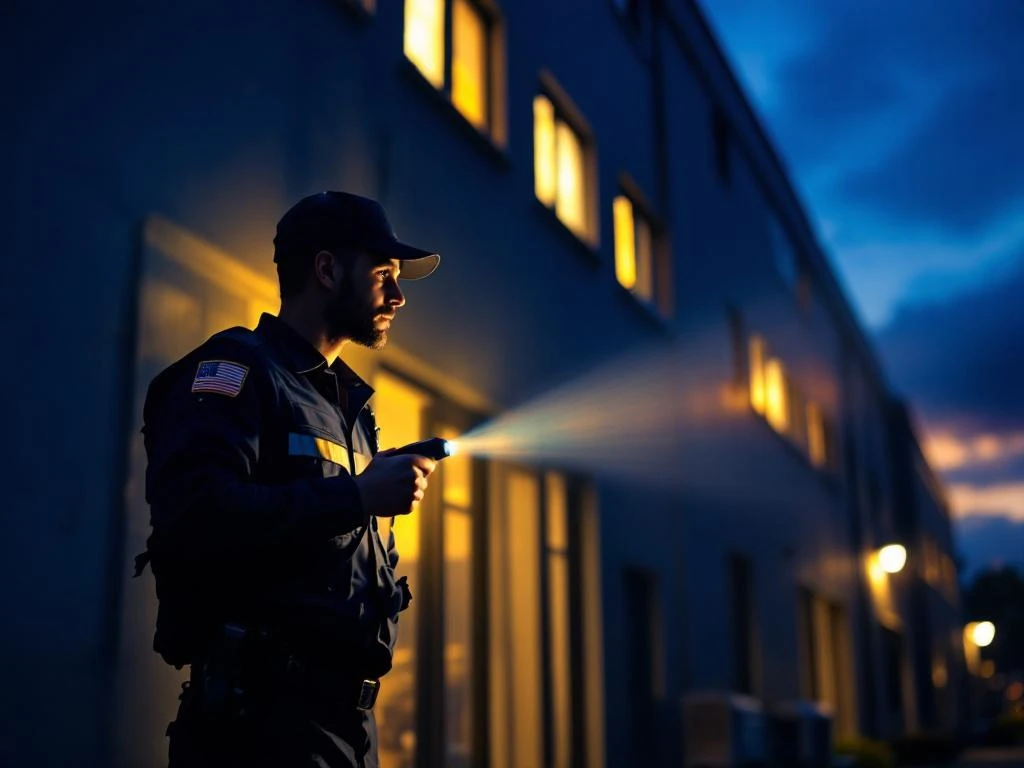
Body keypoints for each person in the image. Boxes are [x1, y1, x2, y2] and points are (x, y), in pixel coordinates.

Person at [136, 191, 441, 767]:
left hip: (340, 729)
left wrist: (367, 485)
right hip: (259, 732)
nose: (398, 297)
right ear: (326, 269)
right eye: (383, 275)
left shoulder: (343, 405)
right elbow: (194, 515)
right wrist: (357, 495)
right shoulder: (236, 371)